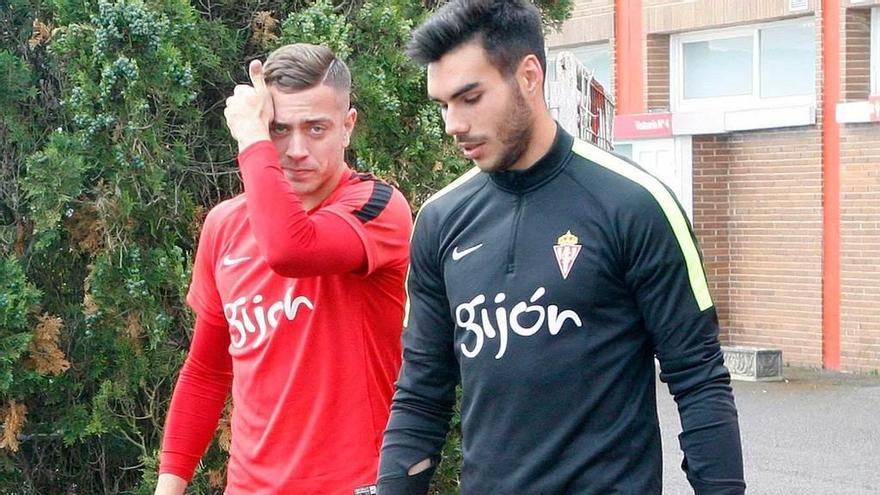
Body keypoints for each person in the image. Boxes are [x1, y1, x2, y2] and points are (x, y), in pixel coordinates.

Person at [377, 1, 745, 494]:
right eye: (443, 104)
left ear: (528, 75)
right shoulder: (441, 220)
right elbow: (421, 391)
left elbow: (698, 379)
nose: (452, 125)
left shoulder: (634, 203)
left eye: (470, 98)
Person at [155, 43, 412, 495]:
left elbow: (291, 249)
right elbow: (207, 371)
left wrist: (253, 140)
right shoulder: (224, 226)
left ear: (347, 127)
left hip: (355, 485)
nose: (295, 150)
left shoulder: (377, 208)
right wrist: (169, 486)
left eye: (316, 128)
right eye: (277, 129)